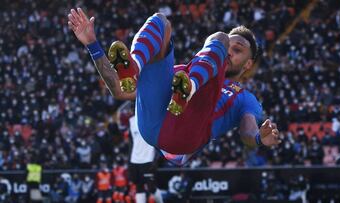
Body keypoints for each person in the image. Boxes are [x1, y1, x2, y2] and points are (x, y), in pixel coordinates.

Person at [67, 8, 280, 164]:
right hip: (152, 125)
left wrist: (260, 139)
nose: (230, 52)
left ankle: (189, 93)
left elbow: (248, 131)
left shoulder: (244, 98)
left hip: (184, 137)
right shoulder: (181, 71)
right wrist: (92, 44)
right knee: (160, 22)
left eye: (238, 50)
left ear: (248, 64)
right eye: (230, 48)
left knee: (219, 39)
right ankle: (135, 66)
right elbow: (119, 90)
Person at [128, 115, 163, 203]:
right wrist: (130, 160)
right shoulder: (131, 121)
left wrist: (156, 159)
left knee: (151, 187)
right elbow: (131, 142)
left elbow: (157, 140)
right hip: (135, 160)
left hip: (148, 158)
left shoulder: (151, 118)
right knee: (139, 186)